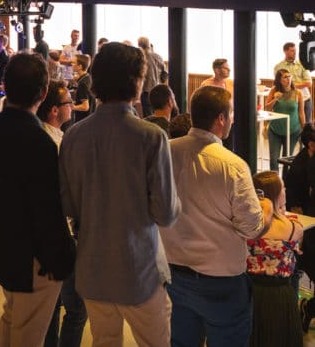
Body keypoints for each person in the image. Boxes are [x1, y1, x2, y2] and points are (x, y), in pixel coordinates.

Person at [59, 42, 181, 346]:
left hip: (92, 267)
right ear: (137, 82)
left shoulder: (73, 136)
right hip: (140, 268)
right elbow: (166, 214)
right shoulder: (152, 137)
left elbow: (68, 204)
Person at [0, 53, 76, 347]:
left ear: (4, 85)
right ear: (43, 93)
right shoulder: (40, 142)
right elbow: (47, 210)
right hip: (33, 259)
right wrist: (62, 258)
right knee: (28, 334)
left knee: (13, 317)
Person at [159, 85, 273, 347]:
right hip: (222, 282)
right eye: (230, 114)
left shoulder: (164, 152)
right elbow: (252, 228)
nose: (232, 119)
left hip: (173, 273)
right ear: (221, 119)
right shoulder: (232, 165)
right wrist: (266, 207)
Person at [37, 80, 87, 347]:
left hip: (41, 236)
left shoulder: (37, 137)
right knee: (77, 308)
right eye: (69, 102)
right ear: (55, 110)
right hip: (63, 234)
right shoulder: (59, 144)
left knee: (52, 304)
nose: (73, 106)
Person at [246, 171, 303, 347]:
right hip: (281, 296)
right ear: (276, 194)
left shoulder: (244, 226)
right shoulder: (294, 228)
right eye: (283, 188)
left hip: (249, 292)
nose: (285, 191)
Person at [284, 123, 315, 332]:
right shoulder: (299, 167)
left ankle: (308, 308)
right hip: (308, 230)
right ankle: (306, 309)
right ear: (311, 144)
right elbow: (295, 208)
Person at [265, 69, 305, 171]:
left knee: (287, 159)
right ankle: (275, 180)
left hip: (293, 131)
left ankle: (285, 180)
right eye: (285, 77)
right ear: (279, 80)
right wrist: (275, 99)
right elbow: (267, 108)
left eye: (289, 76)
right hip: (275, 130)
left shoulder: (298, 93)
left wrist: (304, 128)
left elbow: (301, 113)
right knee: (274, 159)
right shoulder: (274, 90)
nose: (288, 79)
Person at [200, 58, 234, 149]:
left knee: (229, 148)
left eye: (229, 68)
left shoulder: (231, 83)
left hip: (229, 122)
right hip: (213, 123)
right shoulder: (206, 84)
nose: (229, 70)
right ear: (217, 70)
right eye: (226, 68)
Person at [275, 42, 313, 124]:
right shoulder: (278, 67)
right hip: (288, 101)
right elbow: (277, 84)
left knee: (307, 127)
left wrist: (291, 85)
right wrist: (298, 84)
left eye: (295, 50)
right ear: (285, 51)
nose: (295, 53)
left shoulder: (302, 65)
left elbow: (309, 83)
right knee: (290, 125)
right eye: (292, 50)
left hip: (305, 99)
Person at [137, 36, 166, 117]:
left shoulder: (140, 57)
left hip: (146, 92)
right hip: (158, 90)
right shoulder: (158, 56)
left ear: (139, 45)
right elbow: (165, 73)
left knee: (148, 116)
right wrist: (160, 81)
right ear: (148, 44)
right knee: (158, 114)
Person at [71, 54, 94, 123]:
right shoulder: (88, 77)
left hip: (83, 119)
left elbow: (85, 107)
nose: (71, 64)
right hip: (90, 117)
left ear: (80, 66)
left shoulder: (82, 83)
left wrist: (71, 107)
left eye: (74, 63)